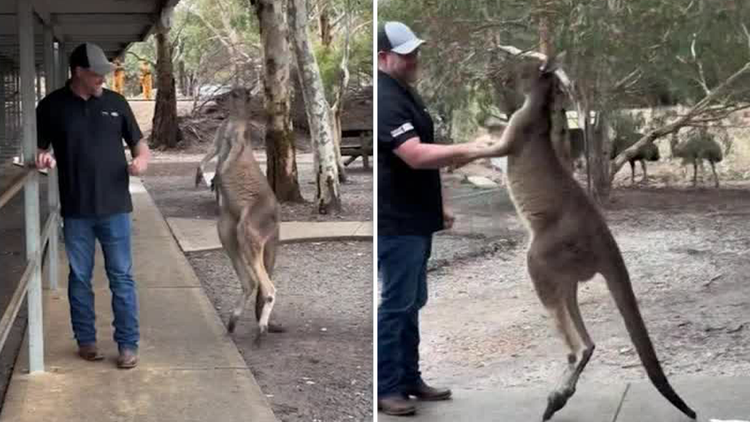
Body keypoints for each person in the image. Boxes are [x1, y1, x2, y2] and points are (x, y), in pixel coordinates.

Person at [377, 21, 500, 416]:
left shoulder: (406, 94)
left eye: (415, 52)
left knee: (413, 302)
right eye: (405, 53)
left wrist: (440, 204)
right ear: (383, 58)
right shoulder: (386, 98)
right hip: (396, 221)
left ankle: (409, 378)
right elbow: (414, 154)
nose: (414, 59)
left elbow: (426, 161)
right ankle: (386, 387)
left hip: (417, 217)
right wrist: (470, 149)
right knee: (397, 304)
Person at [35, 42, 150, 369]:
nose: (102, 78)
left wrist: (141, 161)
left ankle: (128, 345)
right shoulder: (51, 107)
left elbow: (140, 146)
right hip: (76, 211)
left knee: (122, 278)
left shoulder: (116, 103)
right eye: (96, 73)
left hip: (116, 208)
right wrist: (42, 158)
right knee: (80, 278)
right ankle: (85, 340)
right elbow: (39, 150)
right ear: (78, 72)